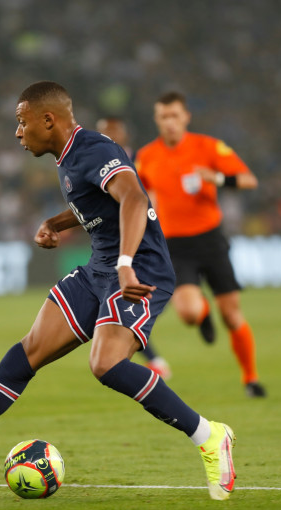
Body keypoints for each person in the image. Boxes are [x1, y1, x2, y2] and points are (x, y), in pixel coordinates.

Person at [0, 81, 237, 501]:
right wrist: (56, 224)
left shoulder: (94, 149)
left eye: (22, 123)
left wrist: (127, 263)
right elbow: (95, 203)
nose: (18, 133)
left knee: (106, 364)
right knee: (27, 354)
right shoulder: (68, 156)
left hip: (139, 270)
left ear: (49, 120)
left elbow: (133, 198)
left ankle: (209, 436)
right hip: (100, 268)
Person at [135, 91, 266, 398]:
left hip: (210, 239)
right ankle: (203, 312)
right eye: (163, 117)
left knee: (232, 315)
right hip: (175, 245)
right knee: (189, 314)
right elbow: (142, 195)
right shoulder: (146, 156)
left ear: (186, 117)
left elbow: (249, 180)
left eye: (175, 116)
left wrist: (217, 178)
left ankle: (251, 379)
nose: (169, 122)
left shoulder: (207, 147)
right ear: (157, 120)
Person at [95, 116, 171, 380]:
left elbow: (153, 194)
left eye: (114, 131)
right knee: (115, 303)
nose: (109, 136)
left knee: (132, 302)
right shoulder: (96, 163)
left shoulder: (140, 161)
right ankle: (152, 362)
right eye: (103, 132)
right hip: (112, 243)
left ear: (125, 134)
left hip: (143, 243)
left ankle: (143, 363)